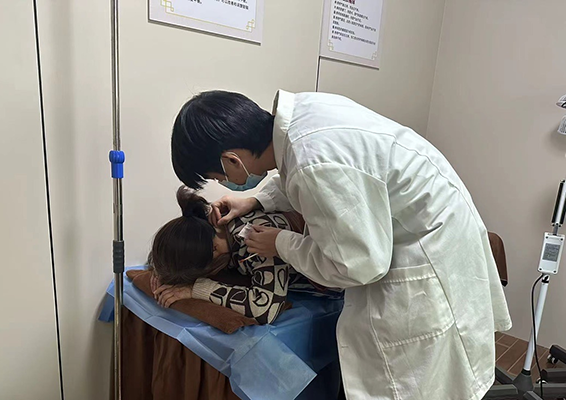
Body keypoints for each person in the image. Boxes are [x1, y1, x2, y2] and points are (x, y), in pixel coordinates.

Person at [169, 89, 512, 399]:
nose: (224, 184)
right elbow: (302, 175)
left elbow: (354, 264)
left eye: (218, 177)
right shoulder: (305, 117)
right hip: (429, 227)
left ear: (232, 160)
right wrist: (255, 200)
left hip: (425, 258)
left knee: (419, 383)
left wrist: (281, 243)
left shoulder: (312, 160)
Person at [148, 186, 342, 324]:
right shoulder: (209, 226)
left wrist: (195, 289)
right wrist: (162, 272)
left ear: (213, 249)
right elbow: (177, 249)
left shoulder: (255, 237)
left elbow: (265, 309)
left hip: (336, 275)